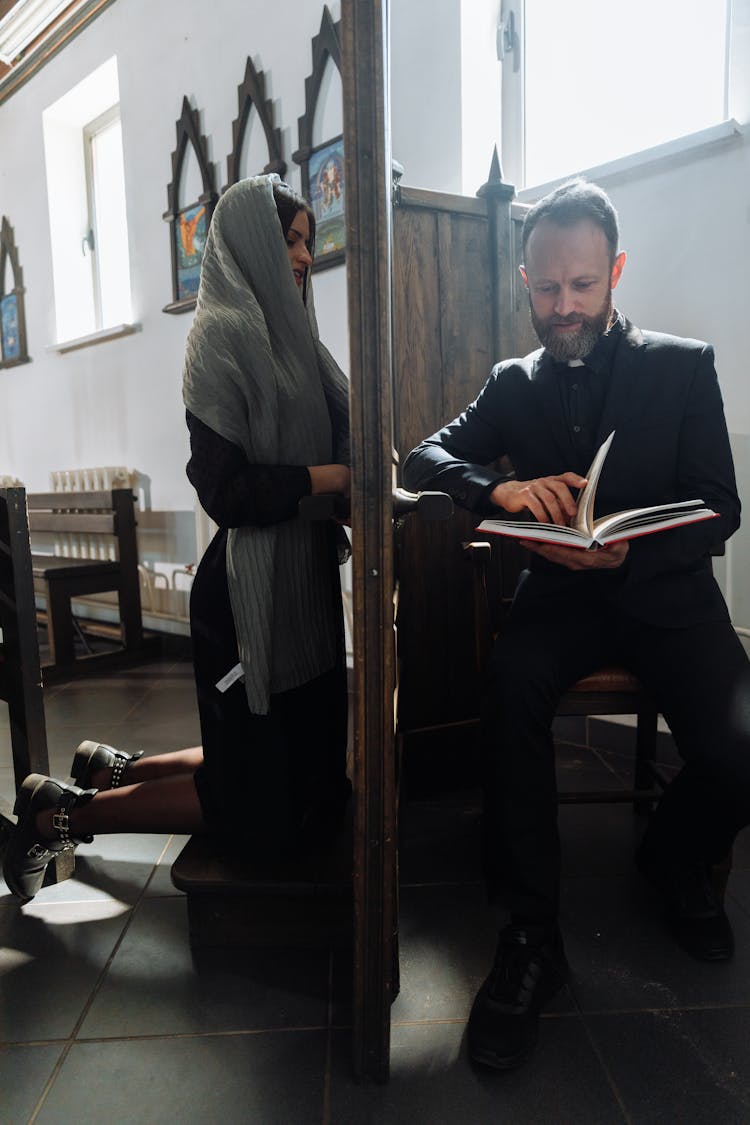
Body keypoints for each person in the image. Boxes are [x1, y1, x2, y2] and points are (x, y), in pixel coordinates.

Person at [402, 178, 750, 1071]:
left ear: (615, 272)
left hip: (669, 601)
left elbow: (721, 507)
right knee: (509, 689)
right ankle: (530, 934)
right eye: (548, 288)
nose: (564, 308)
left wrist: (630, 550)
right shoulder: (510, 382)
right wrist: (501, 490)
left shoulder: (684, 364)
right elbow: (424, 455)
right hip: (557, 604)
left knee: (741, 742)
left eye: (582, 286)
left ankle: (672, 862)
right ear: (527, 281)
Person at [3, 175, 351, 903]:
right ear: (251, 241)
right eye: (288, 238)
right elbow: (226, 491)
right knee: (253, 800)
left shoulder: (302, 346)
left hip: (304, 580)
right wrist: (331, 476)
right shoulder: (219, 337)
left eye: (307, 243)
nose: (302, 256)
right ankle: (56, 814)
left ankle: (111, 769)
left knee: (294, 766)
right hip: (246, 596)